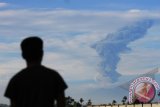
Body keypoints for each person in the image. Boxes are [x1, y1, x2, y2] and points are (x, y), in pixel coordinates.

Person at [4, 36, 68, 107]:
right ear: (42, 53)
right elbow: (62, 103)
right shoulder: (54, 76)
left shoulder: (15, 80)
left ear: (23, 55)